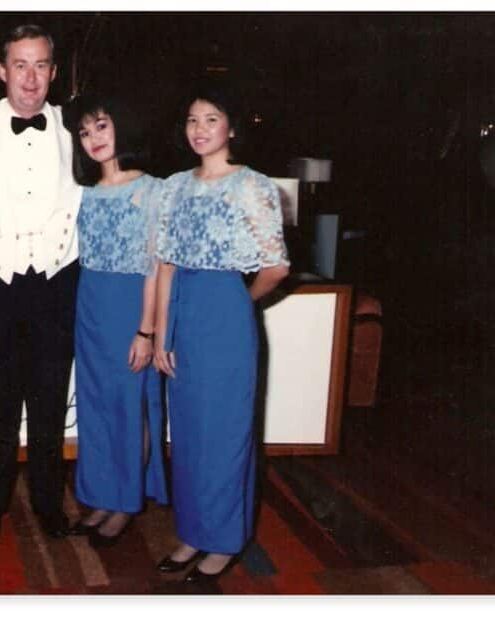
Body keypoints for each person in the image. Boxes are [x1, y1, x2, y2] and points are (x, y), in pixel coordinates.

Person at [153, 84, 289, 583]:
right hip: (182, 315)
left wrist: (235, 303)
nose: (200, 129)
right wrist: (164, 332)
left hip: (226, 317)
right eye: (192, 119)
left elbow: (275, 268)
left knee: (226, 433)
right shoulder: (173, 186)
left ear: (231, 128)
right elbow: (165, 264)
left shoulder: (253, 186)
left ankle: (224, 541)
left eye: (211, 119)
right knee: (187, 435)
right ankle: (192, 532)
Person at [0, 24, 83, 542]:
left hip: (58, 280)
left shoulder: (76, 127)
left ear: (54, 73)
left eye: (41, 65)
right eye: (20, 64)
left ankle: (47, 502)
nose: (30, 78)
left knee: (50, 400)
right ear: (1, 70)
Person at [62, 93, 169, 548]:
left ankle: (125, 502)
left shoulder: (152, 189)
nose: (93, 139)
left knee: (129, 408)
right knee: (95, 409)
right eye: (84, 132)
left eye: (100, 126)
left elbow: (156, 266)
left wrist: (146, 330)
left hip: (131, 305)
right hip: (90, 304)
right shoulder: (83, 193)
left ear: (121, 125)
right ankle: (102, 496)